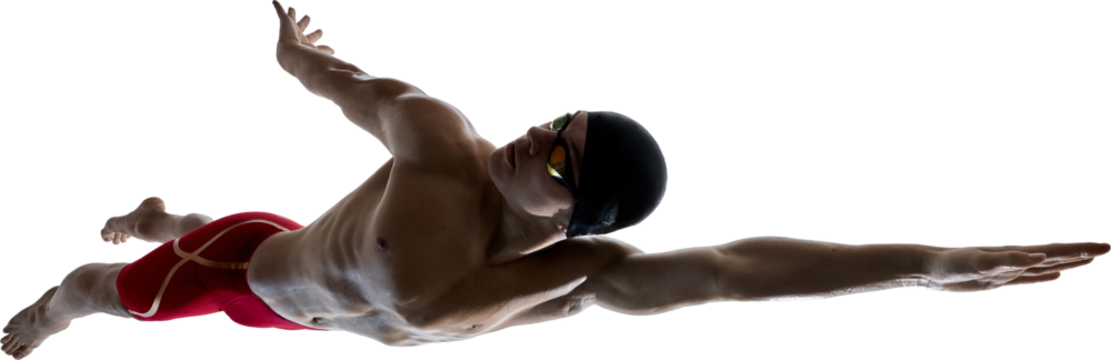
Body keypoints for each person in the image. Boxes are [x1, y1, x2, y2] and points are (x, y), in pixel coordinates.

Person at [2, 1, 1108, 358]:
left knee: (263, 254)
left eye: (558, 157)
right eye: (552, 123)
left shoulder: (582, 274)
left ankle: (163, 216)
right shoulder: (439, 144)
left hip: (311, 315)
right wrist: (298, 55)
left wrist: (925, 267)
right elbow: (348, 86)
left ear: (575, 215)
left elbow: (735, 273)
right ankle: (80, 287)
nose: (533, 137)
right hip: (245, 268)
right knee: (113, 295)